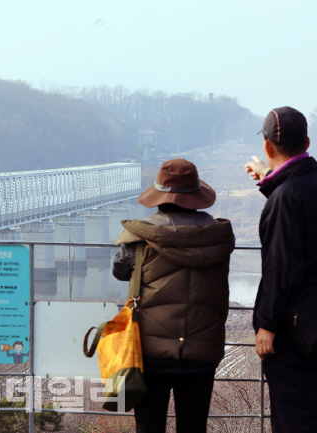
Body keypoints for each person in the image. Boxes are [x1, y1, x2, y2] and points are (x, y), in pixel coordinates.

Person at [244, 106, 317, 433]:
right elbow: (304, 212)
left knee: (295, 421)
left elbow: (281, 269)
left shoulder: (285, 198)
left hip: (294, 334)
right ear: (306, 142)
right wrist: (272, 182)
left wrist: (267, 325)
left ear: (267, 147)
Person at [112, 158, 234, 433]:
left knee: (148, 427)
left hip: (150, 351)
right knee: (194, 427)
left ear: (159, 195)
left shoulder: (140, 236)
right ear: (196, 196)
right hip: (202, 350)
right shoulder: (220, 236)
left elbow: (120, 271)